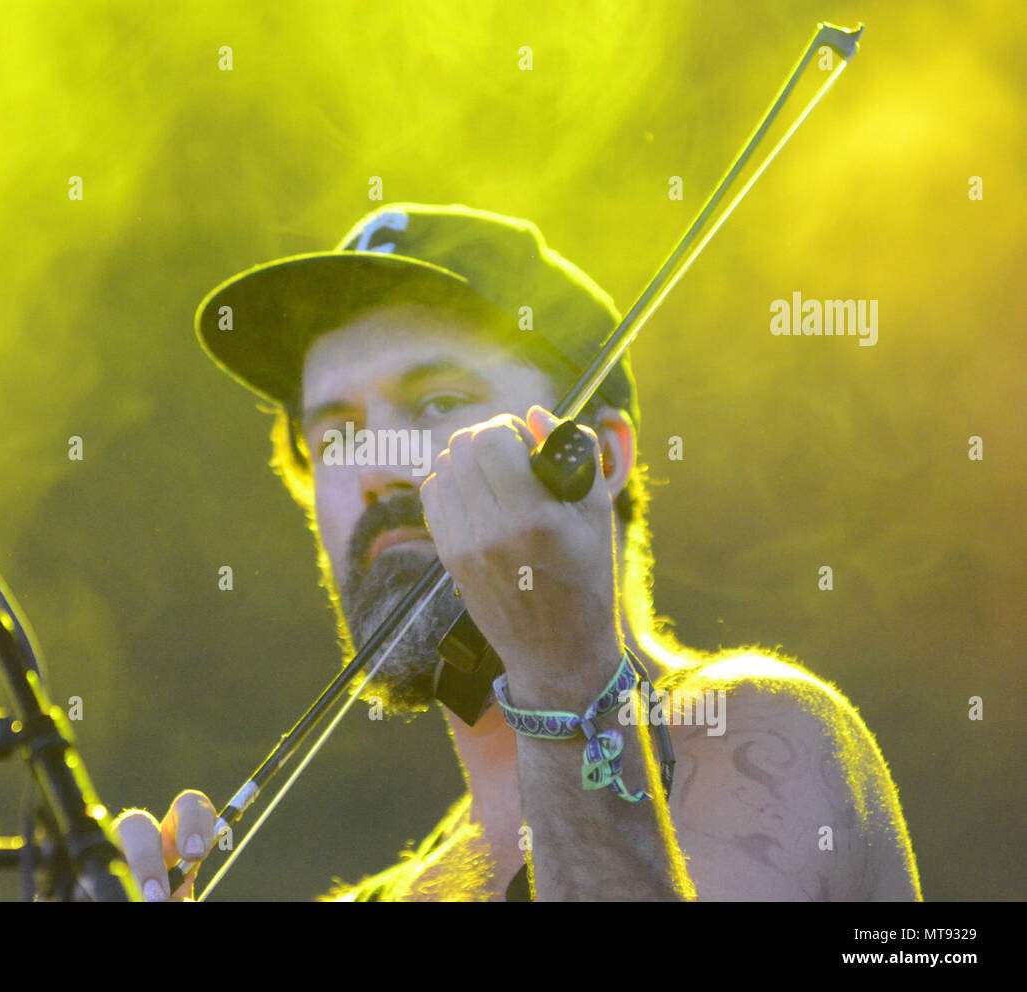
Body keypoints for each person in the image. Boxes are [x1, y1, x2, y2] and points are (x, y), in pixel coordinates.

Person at [115, 203, 922, 901]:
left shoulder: (754, 729)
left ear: (598, 458)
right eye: (336, 435)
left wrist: (563, 675)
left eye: (438, 401)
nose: (373, 467)